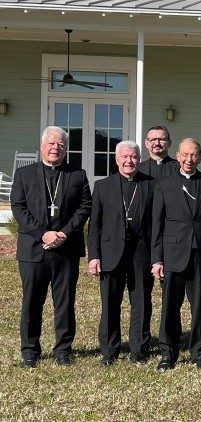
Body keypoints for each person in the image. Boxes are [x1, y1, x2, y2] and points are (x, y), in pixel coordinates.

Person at [11, 125, 92, 368]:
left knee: (65, 302)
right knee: (32, 301)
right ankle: (30, 350)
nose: (55, 148)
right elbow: (18, 208)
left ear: (66, 149)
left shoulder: (77, 174)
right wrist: (43, 234)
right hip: (33, 250)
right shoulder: (24, 174)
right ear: (42, 146)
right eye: (51, 143)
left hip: (66, 250)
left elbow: (85, 206)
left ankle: (63, 349)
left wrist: (64, 234)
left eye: (61, 145)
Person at [151, 138, 201, 370]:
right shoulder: (165, 184)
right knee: (170, 306)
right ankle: (168, 353)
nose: (189, 160)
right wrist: (157, 259)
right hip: (173, 253)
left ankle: (200, 352)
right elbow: (157, 225)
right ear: (178, 156)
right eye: (185, 155)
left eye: (194, 155)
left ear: (200, 157)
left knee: (200, 305)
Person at [88, 140, 156, 366]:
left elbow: (157, 226)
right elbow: (95, 225)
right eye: (124, 157)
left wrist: (157, 258)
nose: (129, 161)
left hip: (141, 251)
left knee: (142, 303)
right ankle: (109, 351)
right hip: (110, 252)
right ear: (116, 159)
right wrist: (94, 256)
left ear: (139, 158)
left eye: (133, 157)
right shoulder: (103, 186)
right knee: (110, 302)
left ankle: (139, 349)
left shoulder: (151, 185)